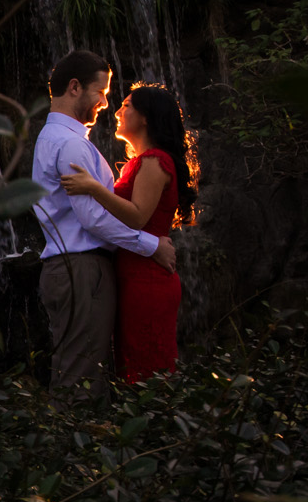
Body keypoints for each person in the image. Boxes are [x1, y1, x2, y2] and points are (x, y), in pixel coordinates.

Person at [29, 51, 177, 394]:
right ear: (75, 88)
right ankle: (74, 442)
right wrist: (151, 245)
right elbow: (93, 218)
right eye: (103, 92)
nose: (106, 103)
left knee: (83, 368)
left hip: (76, 268)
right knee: (81, 377)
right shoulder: (69, 145)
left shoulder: (60, 140)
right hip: (82, 269)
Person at [60, 83, 196, 380]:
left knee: (145, 371)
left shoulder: (154, 161)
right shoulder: (141, 162)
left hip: (146, 278)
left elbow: (136, 217)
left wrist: (93, 188)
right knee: (135, 367)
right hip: (136, 273)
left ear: (145, 117)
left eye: (127, 106)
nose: (118, 111)